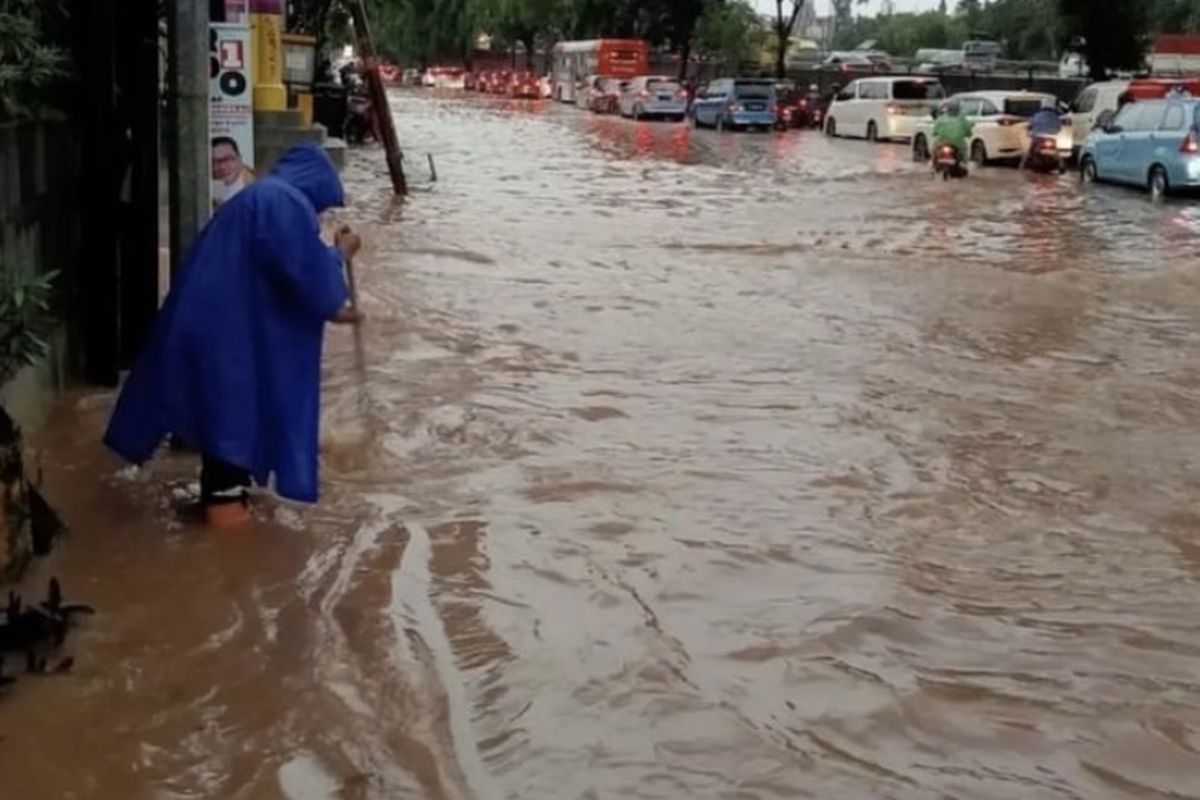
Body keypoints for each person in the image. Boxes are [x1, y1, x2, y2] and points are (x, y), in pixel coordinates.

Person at [105, 143, 363, 529]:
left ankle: (220, 507)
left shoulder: (261, 197)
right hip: (227, 345)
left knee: (221, 427)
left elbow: (282, 279)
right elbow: (308, 279)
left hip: (209, 330)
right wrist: (339, 255)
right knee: (231, 430)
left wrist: (336, 308)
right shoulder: (284, 202)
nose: (320, 213)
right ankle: (230, 558)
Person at [211, 136, 255, 208]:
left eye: (228, 159)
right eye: (214, 161)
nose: (222, 167)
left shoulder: (256, 188)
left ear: (240, 159)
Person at [1021, 97, 1063, 170]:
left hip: (1038, 136)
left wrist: (1029, 131)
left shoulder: (1037, 114)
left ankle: (1022, 166)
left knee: (1029, 150)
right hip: (1052, 136)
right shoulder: (1056, 116)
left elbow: (1031, 124)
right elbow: (1059, 127)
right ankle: (1062, 165)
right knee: (1057, 151)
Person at [932, 100, 973, 167]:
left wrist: (935, 133)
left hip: (941, 142)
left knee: (934, 149)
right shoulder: (962, 119)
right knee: (964, 152)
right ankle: (964, 164)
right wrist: (968, 134)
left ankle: (933, 166)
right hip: (958, 144)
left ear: (947, 109)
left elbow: (935, 131)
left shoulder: (941, 118)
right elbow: (968, 131)